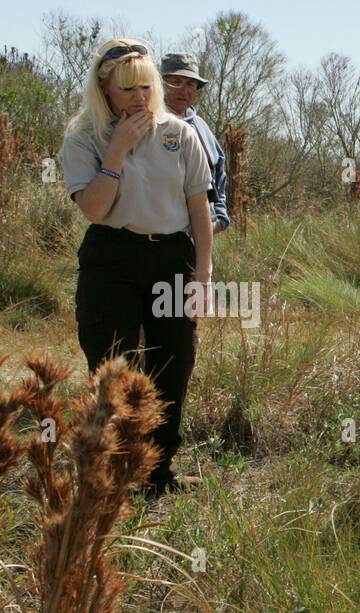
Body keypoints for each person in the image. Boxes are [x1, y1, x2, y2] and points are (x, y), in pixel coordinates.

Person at [58, 39, 213, 499]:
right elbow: (93, 208)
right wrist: (117, 151)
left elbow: (199, 209)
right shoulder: (83, 135)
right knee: (113, 363)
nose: (139, 98)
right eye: (126, 89)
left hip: (170, 257)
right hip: (111, 256)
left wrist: (202, 278)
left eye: (146, 86)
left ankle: (156, 472)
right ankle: (111, 475)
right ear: (103, 89)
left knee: (173, 361)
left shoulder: (179, 133)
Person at [159, 52, 229, 234]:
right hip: (163, 237)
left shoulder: (201, 126)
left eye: (190, 83)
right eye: (176, 82)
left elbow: (219, 173)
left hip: (203, 233)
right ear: (159, 83)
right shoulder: (150, 124)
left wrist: (220, 219)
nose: (184, 90)